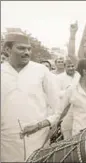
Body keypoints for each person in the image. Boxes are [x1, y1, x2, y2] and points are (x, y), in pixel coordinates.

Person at [1, 32, 60, 162]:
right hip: (6, 144)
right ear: (7, 49)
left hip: (38, 139)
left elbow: (58, 108)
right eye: (21, 48)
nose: (27, 52)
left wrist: (40, 125)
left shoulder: (41, 71)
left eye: (29, 49)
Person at [57, 58, 81, 139]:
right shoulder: (59, 78)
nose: (71, 68)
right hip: (65, 108)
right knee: (66, 131)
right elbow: (56, 93)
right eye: (68, 66)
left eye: (72, 66)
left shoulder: (79, 76)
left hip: (78, 107)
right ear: (64, 67)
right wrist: (67, 91)